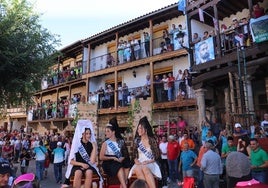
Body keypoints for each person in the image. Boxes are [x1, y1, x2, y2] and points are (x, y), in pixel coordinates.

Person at [63, 120, 103, 188]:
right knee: (78, 173)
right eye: (87, 133)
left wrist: (94, 148)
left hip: (88, 165)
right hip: (77, 166)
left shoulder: (91, 145)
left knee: (89, 172)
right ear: (82, 134)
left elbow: (92, 161)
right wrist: (81, 164)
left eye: (90, 133)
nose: (89, 135)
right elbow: (71, 161)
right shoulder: (77, 144)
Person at [128, 116, 161, 188]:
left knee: (145, 168)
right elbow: (134, 155)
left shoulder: (152, 140)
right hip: (140, 162)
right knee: (138, 169)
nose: (138, 130)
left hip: (151, 162)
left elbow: (156, 155)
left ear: (145, 130)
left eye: (140, 128)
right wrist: (136, 161)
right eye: (138, 128)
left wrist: (148, 162)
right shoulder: (137, 141)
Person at [100, 117, 131, 188]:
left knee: (127, 164)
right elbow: (101, 157)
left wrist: (122, 158)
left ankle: (122, 185)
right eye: (106, 131)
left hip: (118, 160)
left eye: (108, 131)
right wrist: (113, 158)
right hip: (109, 162)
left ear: (113, 132)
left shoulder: (120, 141)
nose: (106, 133)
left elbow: (125, 154)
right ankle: (124, 186)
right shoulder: (105, 143)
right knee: (119, 167)